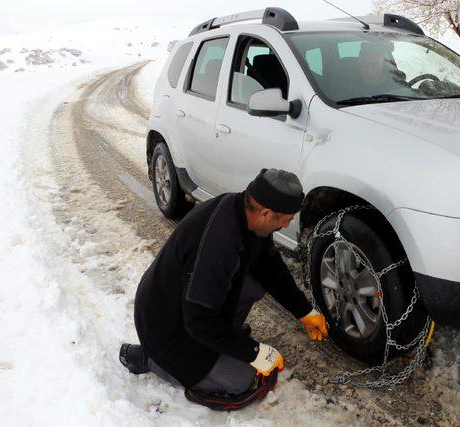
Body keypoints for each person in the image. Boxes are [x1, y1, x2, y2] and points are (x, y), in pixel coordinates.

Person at [119, 168, 328, 411]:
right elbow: (199, 322)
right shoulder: (218, 246)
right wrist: (255, 352)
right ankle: (150, 359)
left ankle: (222, 338)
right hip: (165, 328)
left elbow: (271, 268)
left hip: (186, 305)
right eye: (285, 219)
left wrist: (304, 311)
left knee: (254, 282)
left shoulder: (241, 212)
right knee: (241, 381)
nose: (286, 225)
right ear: (266, 212)